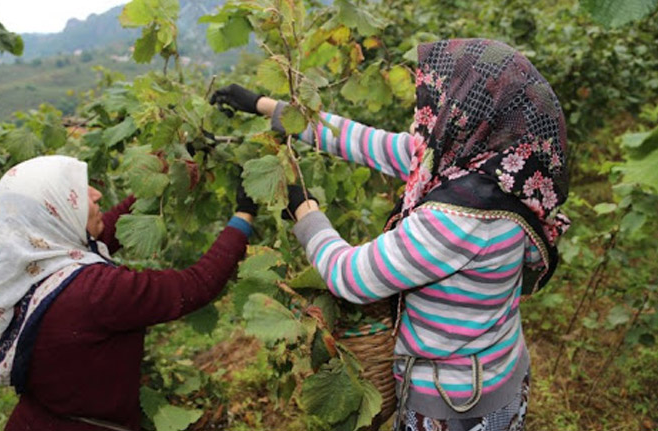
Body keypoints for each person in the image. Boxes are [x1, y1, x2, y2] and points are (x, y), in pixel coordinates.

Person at [211, 38, 570, 430]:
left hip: (456, 405)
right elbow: (367, 143)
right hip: (499, 371)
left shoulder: (461, 219)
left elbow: (353, 277)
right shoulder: (499, 171)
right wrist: (266, 106)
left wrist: (304, 212)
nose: (437, 105)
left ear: (469, 111)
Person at [0, 155, 258, 430]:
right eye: (77, 193)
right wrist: (243, 216)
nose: (97, 194)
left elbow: (106, 233)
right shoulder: (95, 292)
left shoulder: (32, 264)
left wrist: (162, 176)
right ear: (56, 212)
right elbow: (196, 284)